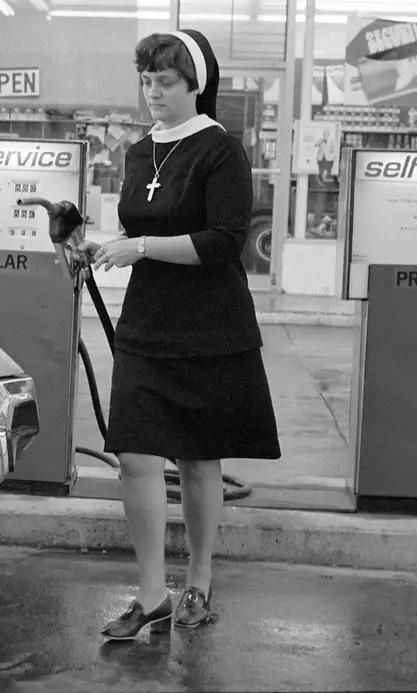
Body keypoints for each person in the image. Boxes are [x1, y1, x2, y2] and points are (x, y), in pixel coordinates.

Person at [78, 29, 281, 638]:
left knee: (197, 458)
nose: (154, 93)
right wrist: (100, 247)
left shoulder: (221, 150)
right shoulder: (140, 152)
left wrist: (139, 247)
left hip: (209, 327)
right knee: (134, 456)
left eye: (166, 82)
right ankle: (151, 593)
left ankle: (198, 580)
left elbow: (225, 241)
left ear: (197, 84)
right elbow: (137, 228)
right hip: (147, 325)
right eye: (147, 81)